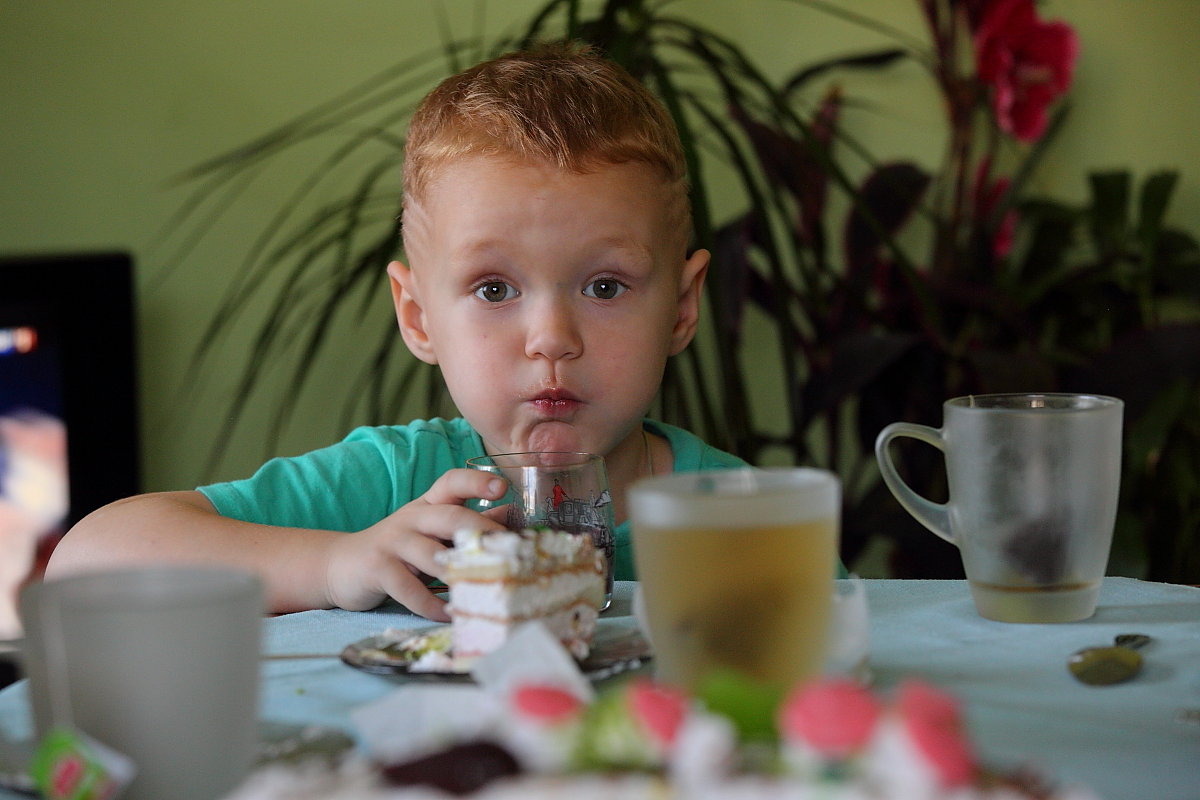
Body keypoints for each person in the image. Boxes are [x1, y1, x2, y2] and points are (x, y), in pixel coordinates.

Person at [47, 42, 750, 619]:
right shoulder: (393, 487)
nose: (550, 339)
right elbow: (85, 563)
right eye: (494, 289)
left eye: (604, 286)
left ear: (682, 308)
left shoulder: (745, 518)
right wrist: (338, 561)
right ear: (417, 317)